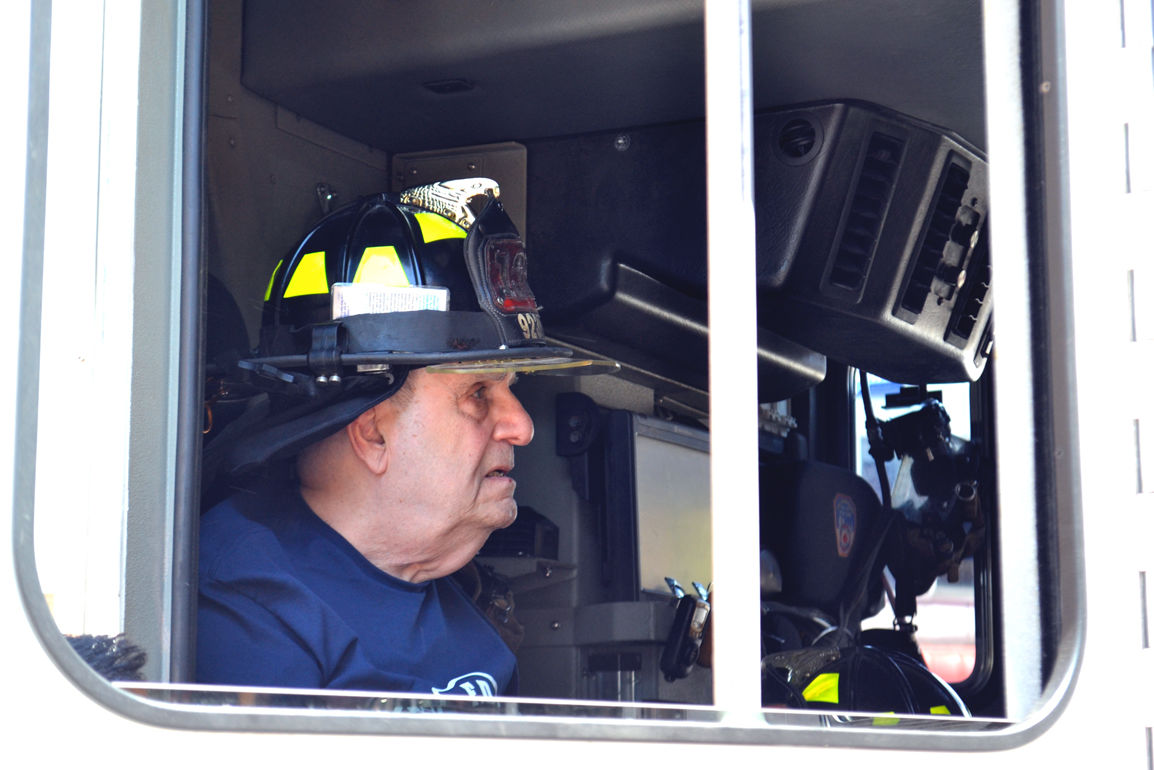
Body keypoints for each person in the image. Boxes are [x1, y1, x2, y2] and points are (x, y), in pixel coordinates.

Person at [196, 179, 614, 694]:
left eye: (510, 387)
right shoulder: (247, 605)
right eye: (479, 393)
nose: (522, 427)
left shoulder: (469, 608)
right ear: (372, 434)